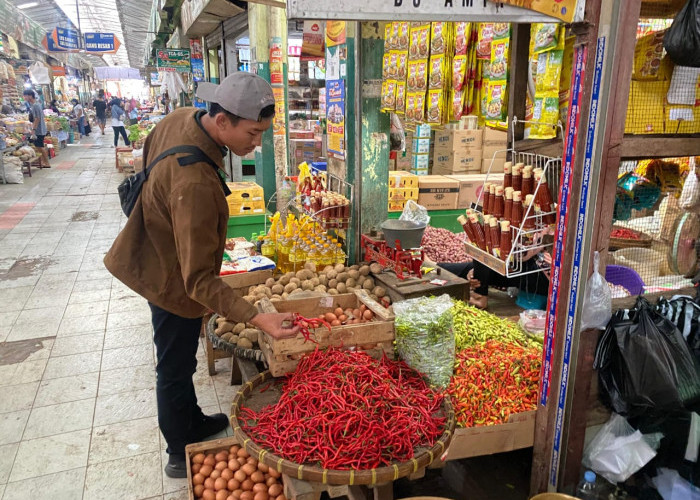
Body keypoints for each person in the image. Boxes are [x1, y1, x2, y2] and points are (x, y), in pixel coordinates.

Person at [104, 72, 299, 479]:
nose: (257, 143)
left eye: (263, 132)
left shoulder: (182, 117)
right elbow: (196, 283)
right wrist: (257, 317)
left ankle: (191, 419)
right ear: (223, 120)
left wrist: (177, 221)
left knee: (179, 359)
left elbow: (149, 162)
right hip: (165, 273)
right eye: (253, 132)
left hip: (163, 242)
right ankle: (179, 448)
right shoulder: (193, 182)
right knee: (173, 364)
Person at [23, 89, 50, 168]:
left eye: (25, 96)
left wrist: (33, 130)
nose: (24, 97)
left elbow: (37, 118)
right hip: (39, 129)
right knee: (39, 146)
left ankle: (47, 163)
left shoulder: (35, 105)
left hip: (39, 130)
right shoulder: (34, 105)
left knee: (40, 147)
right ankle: (44, 162)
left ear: (30, 96)